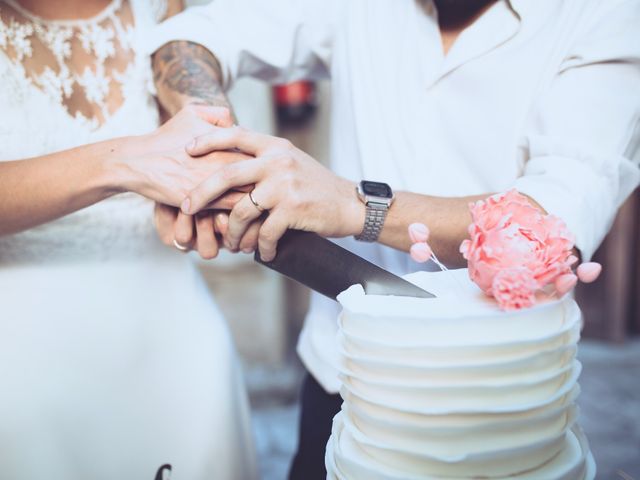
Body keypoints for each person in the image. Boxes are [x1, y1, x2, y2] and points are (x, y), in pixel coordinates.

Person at [148, 0, 640, 478]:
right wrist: (216, 151)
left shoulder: (604, 14)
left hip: (494, 412)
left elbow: (555, 225)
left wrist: (353, 204)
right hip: (342, 378)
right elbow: (194, 36)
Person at [0, 1, 257, 478]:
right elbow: (146, 156)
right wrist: (121, 163)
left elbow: (192, 128)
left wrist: (211, 174)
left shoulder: (159, 6)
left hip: (175, 340)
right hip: (20, 359)